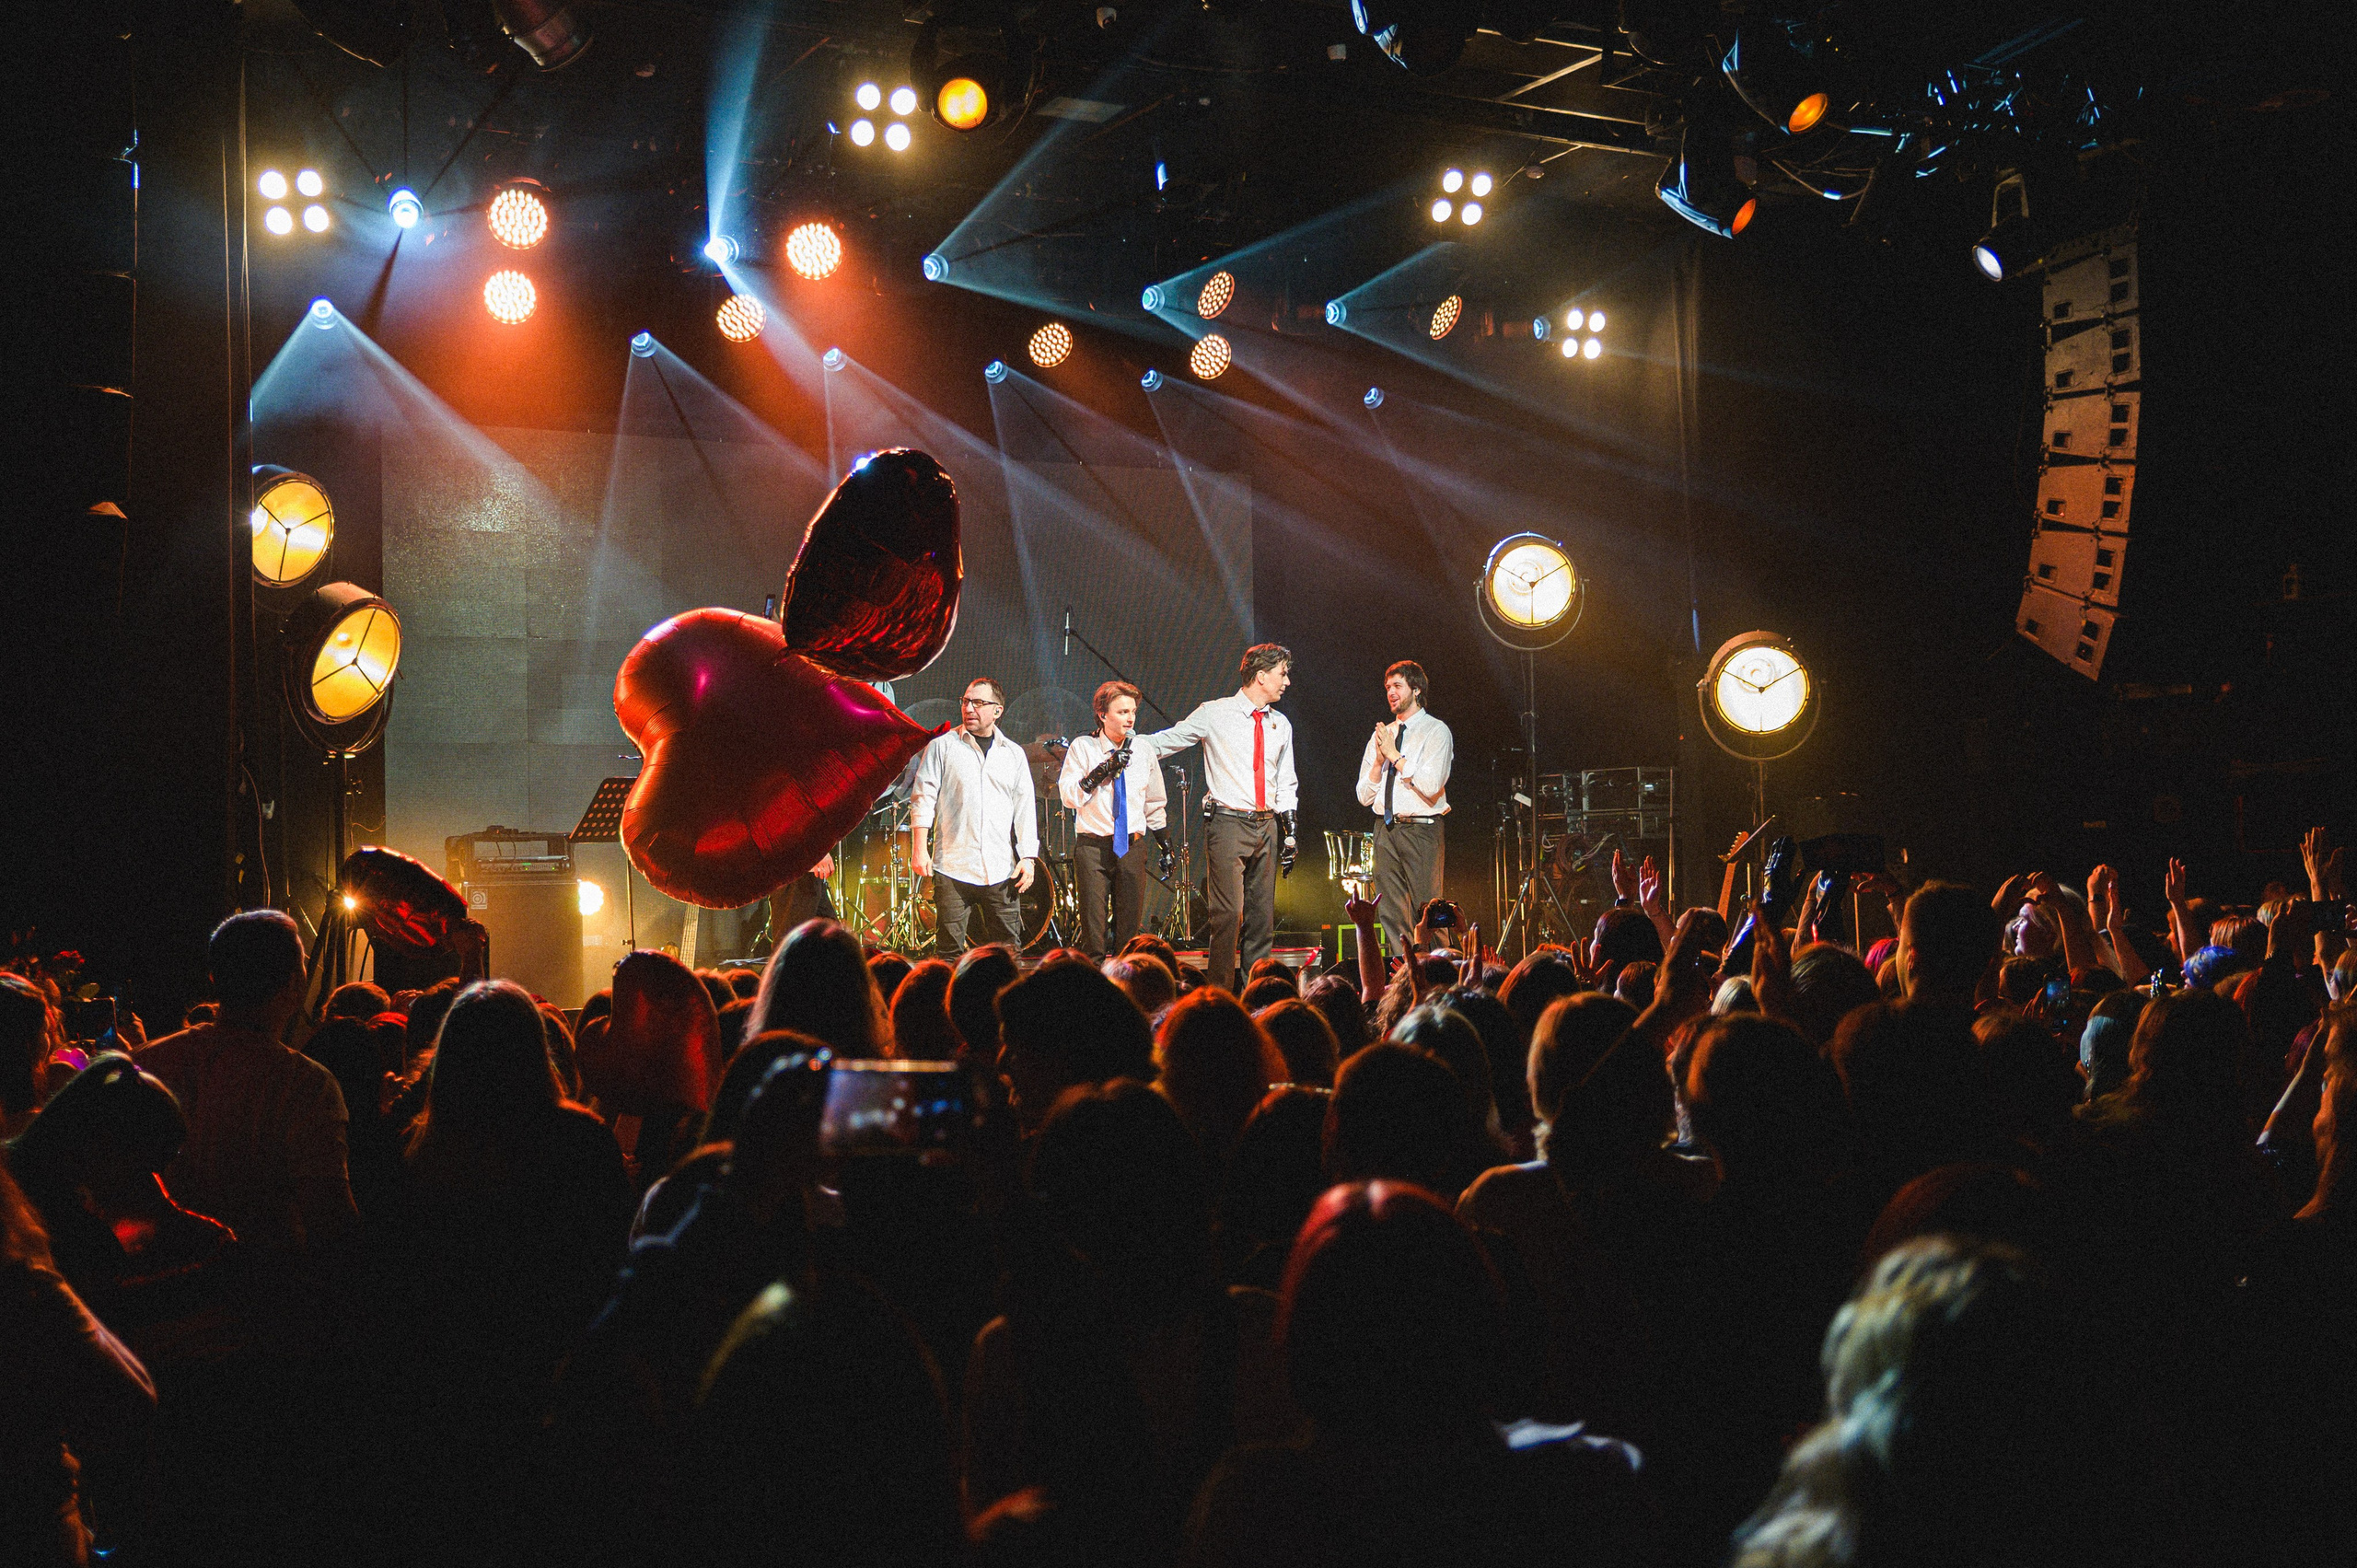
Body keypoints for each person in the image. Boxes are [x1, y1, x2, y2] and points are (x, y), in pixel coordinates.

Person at [134, 910, 358, 1255]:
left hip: (162, 1280)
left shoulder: (146, 1062)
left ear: (214, 977)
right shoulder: (307, 1085)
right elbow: (330, 1220)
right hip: (264, 1287)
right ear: (296, 984)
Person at [1141, 644, 1298, 991]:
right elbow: (1170, 740)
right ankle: (1220, 995)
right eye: (1282, 673)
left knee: (1262, 919)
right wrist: (1125, 743)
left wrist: (1289, 831)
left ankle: (1259, 995)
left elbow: (1286, 779)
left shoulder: (1280, 724)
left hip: (1267, 824)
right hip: (1228, 823)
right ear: (1261, 676)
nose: (1287, 681)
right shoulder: (1215, 713)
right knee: (1228, 916)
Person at [909, 677, 1039, 958]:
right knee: (949, 953)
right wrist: (920, 849)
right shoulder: (942, 746)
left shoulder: (1013, 754)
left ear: (997, 710)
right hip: (953, 865)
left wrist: (1027, 857)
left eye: (978, 703)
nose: (969, 708)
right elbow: (923, 797)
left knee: (1007, 952)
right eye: (966, 701)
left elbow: (1025, 806)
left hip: (1001, 868)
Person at [1059, 679, 1174, 958]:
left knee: (1128, 935)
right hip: (1093, 848)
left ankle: (1126, 992)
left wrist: (1165, 845)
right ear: (1102, 715)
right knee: (1094, 933)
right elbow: (1069, 797)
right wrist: (1102, 771)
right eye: (1122, 712)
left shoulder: (1143, 749)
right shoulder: (1083, 747)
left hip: (1131, 848)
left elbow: (1155, 802)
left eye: (1132, 711)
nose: (1130, 718)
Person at [1354, 660, 1454, 963]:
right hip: (1385, 829)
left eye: (1397, 686)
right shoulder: (1383, 734)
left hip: (1421, 829)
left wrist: (1395, 757)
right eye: (1387, 688)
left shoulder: (1436, 731)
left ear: (1416, 689)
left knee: (1428, 911)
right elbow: (1363, 795)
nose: (1391, 693)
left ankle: (1441, 978)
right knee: (1391, 913)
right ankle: (1405, 979)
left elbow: (1432, 783)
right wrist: (1377, 761)